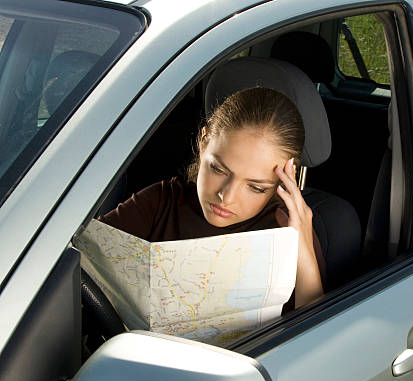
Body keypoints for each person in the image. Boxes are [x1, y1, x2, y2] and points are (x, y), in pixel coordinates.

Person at [100, 87, 324, 309]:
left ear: (283, 181)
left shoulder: (287, 232)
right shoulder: (161, 201)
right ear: (203, 141)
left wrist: (304, 254)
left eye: (255, 187)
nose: (226, 197)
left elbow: (317, 338)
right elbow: (78, 262)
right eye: (218, 169)